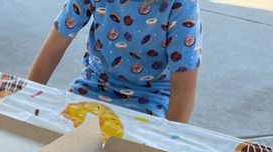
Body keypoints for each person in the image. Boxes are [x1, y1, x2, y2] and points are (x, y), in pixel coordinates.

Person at [28, 0, 202, 122]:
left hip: (151, 96)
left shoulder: (183, 5)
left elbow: (183, 87)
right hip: (94, 84)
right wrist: (28, 98)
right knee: (58, 133)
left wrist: (169, 145)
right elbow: (52, 51)